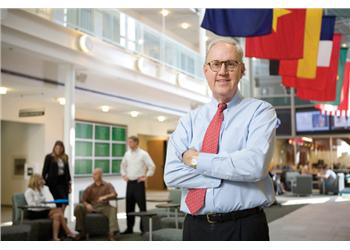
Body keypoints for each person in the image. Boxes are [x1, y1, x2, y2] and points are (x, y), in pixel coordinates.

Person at [164, 38, 277, 241]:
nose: (222, 71)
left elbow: (254, 166)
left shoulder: (260, 112)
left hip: (244, 227)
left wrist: (195, 160)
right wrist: (231, 172)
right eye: (215, 64)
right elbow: (172, 174)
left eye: (230, 64)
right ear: (206, 70)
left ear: (242, 70)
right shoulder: (189, 121)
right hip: (194, 228)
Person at [24, 174, 77, 240]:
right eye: (40, 179)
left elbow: (44, 200)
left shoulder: (40, 190)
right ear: (35, 180)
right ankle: (68, 231)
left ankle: (55, 237)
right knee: (59, 210)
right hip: (34, 213)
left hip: (42, 211)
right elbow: (31, 205)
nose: (42, 181)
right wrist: (44, 205)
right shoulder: (29, 191)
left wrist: (44, 205)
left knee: (57, 215)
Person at [120, 136, 155, 234]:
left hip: (139, 183)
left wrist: (146, 176)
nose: (129, 144)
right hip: (130, 183)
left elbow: (152, 166)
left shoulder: (144, 154)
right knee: (129, 207)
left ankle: (143, 229)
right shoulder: (127, 154)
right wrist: (123, 174)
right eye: (128, 142)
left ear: (136, 142)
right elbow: (122, 166)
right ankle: (129, 228)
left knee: (142, 207)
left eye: (130, 142)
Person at [74, 168, 120, 240]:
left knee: (113, 209)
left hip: (104, 206)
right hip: (92, 206)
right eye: (93, 174)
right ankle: (81, 232)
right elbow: (82, 200)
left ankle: (111, 233)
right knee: (78, 207)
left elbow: (114, 194)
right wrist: (87, 205)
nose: (93, 176)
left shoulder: (108, 185)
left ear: (100, 175)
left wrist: (105, 196)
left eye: (95, 174)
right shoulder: (90, 187)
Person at [42, 140, 71, 210]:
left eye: (60, 148)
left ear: (63, 149)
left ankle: (60, 215)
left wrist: (69, 184)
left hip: (63, 181)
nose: (58, 150)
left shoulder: (65, 157)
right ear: (54, 148)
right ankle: (60, 217)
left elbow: (67, 170)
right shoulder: (49, 157)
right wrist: (43, 180)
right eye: (57, 148)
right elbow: (45, 170)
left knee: (65, 200)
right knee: (58, 201)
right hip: (53, 182)